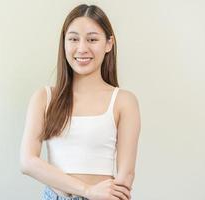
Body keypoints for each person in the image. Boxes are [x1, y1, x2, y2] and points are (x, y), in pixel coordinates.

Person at [20, 4, 141, 200]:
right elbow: (27, 162)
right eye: (74, 39)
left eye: (92, 39)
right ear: (64, 43)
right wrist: (87, 190)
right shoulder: (44, 98)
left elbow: (125, 176)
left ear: (109, 44)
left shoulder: (124, 101)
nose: (82, 48)